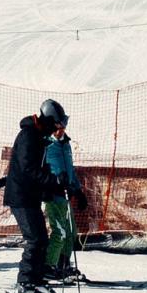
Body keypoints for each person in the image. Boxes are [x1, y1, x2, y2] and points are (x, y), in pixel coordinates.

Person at [2, 100, 67, 293]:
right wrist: (53, 180)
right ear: (48, 120)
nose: (55, 130)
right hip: (21, 197)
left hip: (29, 196)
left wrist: (56, 185)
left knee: (42, 240)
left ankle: (35, 281)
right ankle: (25, 286)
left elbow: (39, 170)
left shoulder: (37, 136)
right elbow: (28, 169)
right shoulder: (28, 136)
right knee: (35, 240)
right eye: (55, 125)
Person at [43, 120, 86, 284]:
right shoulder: (46, 144)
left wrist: (78, 190)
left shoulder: (66, 145)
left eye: (62, 128)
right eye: (57, 128)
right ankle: (49, 265)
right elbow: (44, 169)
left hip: (66, 194)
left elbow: (70, 170)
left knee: (71, 232)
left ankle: (63, 264)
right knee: (59, 232)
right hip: (53, 194)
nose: (60, 132)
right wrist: (55, 181)